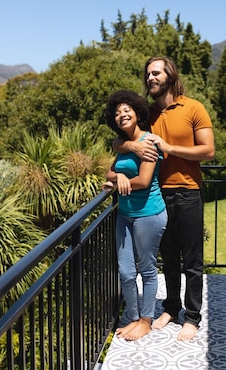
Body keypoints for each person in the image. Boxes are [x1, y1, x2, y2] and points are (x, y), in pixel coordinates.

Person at [114, 57, 215, 341]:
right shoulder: (146, 115)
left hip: (188, 191)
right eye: (147, 74)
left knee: (192, 260)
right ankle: (171, 307)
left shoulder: (193, 108)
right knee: (168, 258)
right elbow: (119, 139)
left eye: (155, 73)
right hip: (158, 195)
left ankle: (192, 317)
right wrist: (131, 144)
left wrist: (170, 147)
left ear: (169, 75)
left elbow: (208, 151)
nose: (150, 78)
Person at [102, 89, 168, 341]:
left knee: (147, 269)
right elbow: (109, 173)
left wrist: (122, 179)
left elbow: (143, 180)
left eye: (126, 110)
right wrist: (117, 176)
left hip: (148, 214)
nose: (122, 115)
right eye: (117, 113)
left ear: (137, 113)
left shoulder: (149, 141)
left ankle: (145, 320)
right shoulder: (122, 145)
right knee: (126, 271)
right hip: (125, 215)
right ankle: (132, 317)